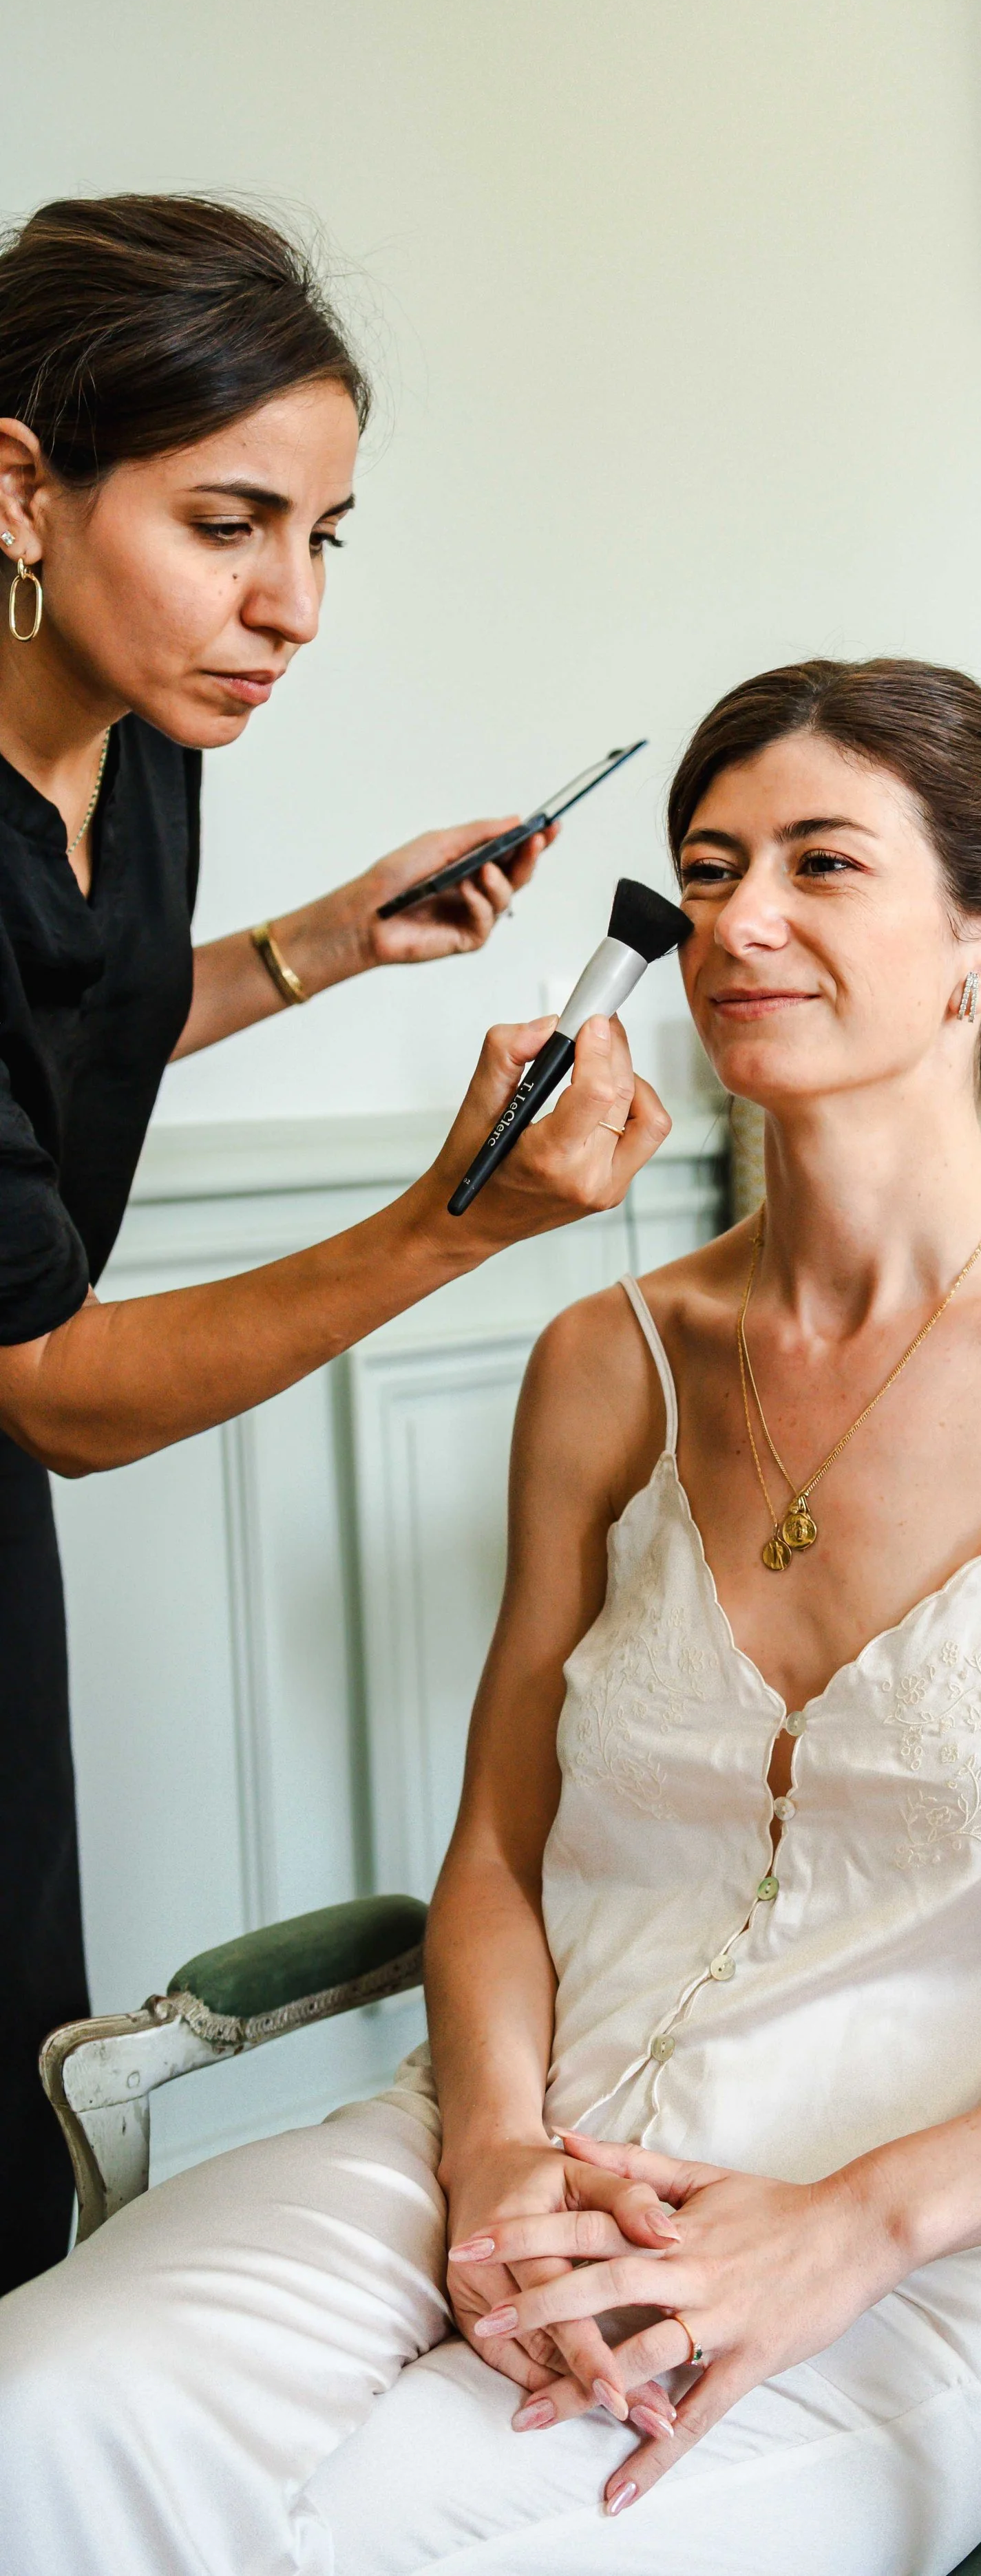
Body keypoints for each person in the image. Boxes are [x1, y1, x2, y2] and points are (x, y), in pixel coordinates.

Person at [0, 659, 981, 2574]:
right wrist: (491, 2154)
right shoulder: (607, 1358)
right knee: (42, 2421)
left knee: (396, 2537)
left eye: (822, 864)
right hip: (483, 2152)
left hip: (887, 2265)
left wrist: (856, 2224)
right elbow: (499, 1846)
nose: (738, 918)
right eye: (710, 863)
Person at [0, 194, 669, 2296]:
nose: (289, 606)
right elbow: (57, 1388)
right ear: (19, 483)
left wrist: (313, 948)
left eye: (325, 535)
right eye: (228, 524)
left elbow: (68, 1024)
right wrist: (451, 1222)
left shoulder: (138, 735)